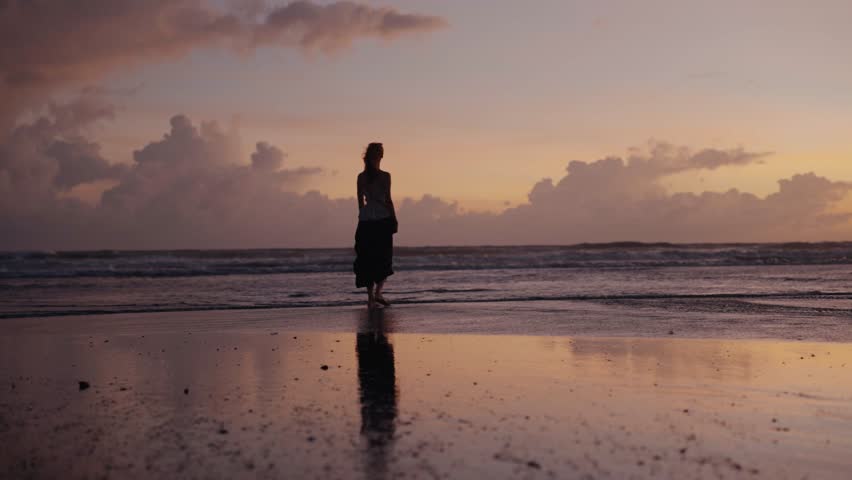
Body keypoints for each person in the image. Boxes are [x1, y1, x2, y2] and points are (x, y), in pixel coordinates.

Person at [354, 142, 397, 309]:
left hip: (365, 220)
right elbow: (388, 200)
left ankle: (371, 298)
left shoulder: (361, 177)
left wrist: (362, 215)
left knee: (367, 259)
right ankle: (378, 293)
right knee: (384, 258)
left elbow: (360, 201)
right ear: (379, 155)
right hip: (382, 218)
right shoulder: (385, 176)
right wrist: (394, 218)